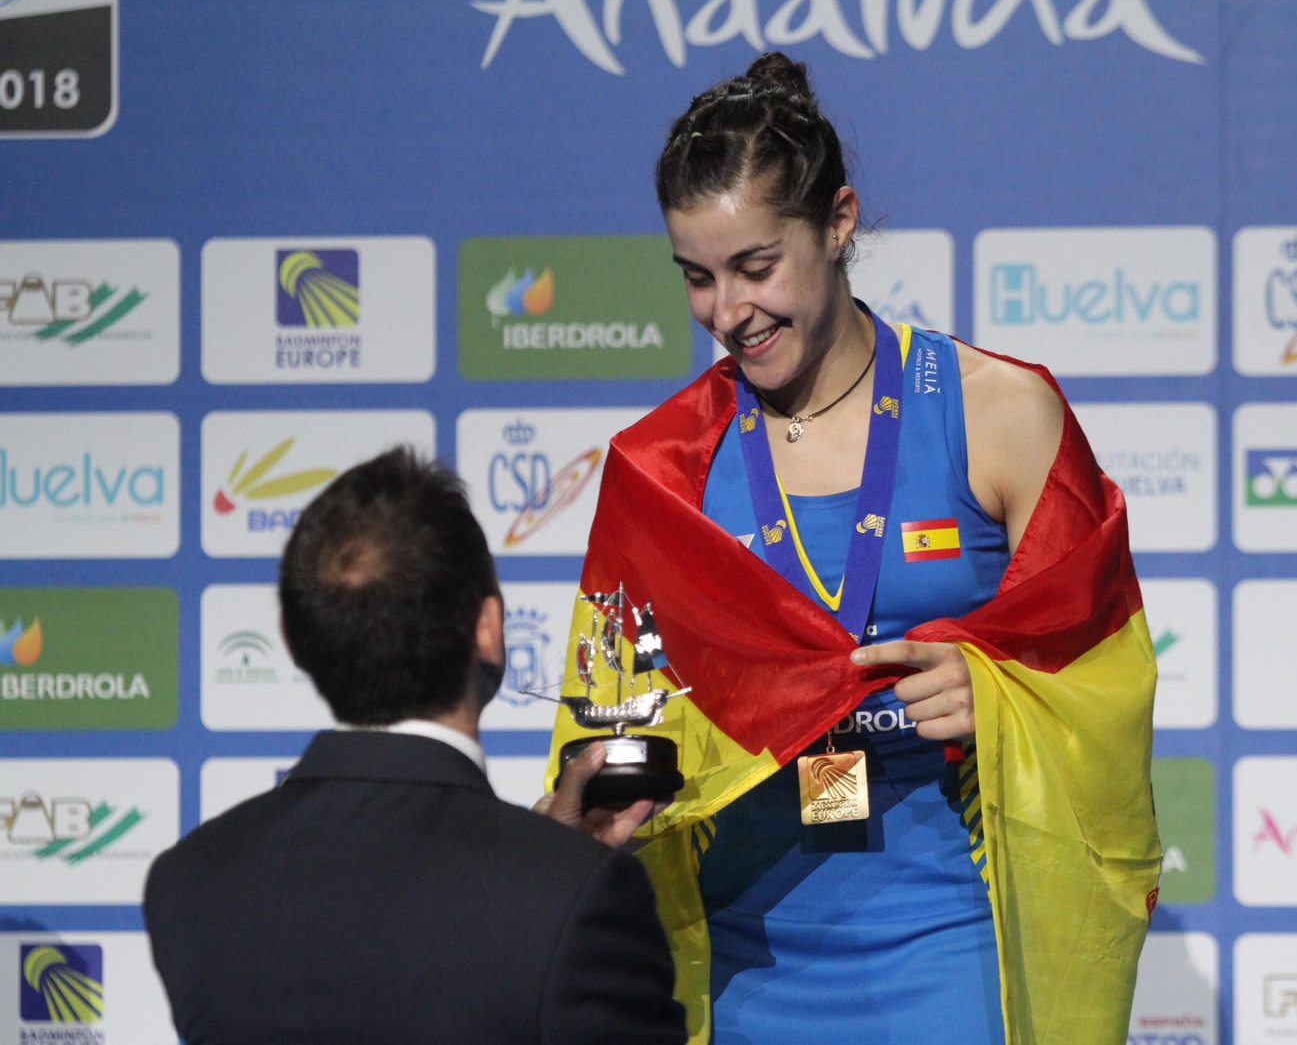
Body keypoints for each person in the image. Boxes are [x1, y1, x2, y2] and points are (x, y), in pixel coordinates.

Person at [544, 53, 1163, 1045]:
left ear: (838, 223)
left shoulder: (998, 413)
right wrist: (592, 798)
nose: (727, 312)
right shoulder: (660, 470)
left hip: (949, 943)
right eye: (698, 277)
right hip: (739, 961)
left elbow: (1106, 676)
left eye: (756, 267)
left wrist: (997, 691)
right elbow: (614, 722)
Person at [143, 448, 686, 1045]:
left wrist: (553, 868)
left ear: (292, 642)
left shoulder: (188, 883)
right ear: (488, 628)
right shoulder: (578, 893)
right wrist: (560, 878)